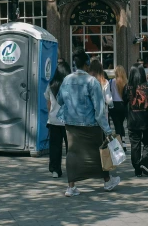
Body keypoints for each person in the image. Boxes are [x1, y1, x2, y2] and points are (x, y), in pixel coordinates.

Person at [56, 49, 120, 196]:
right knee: (98, 153)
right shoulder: (92, 82)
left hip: (71, 124)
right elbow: (99, 109)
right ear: (86, 65)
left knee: (72, 153)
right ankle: (107, 180)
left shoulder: (67, 80)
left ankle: (71, 187)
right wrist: (107, 130)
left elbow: (59, 100)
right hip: (90, 124)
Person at [123, 65, 148, 177]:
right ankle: (144, 162)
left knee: (135, 145)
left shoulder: (127, 87)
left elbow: (124, 102)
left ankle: (137, 168)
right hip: (147, 120)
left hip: (132, 120)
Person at [45, 61, 70, 178]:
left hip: (54, 120)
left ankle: (55, 170)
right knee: (71, 146)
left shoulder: (51, 85)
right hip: (68, 120)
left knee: (55, 146)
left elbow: (48, 104)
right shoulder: (70, 85)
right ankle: (72, 169)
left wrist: (51, 113)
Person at [109, 65, 127, 143]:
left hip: (114, 105)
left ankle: (119, 142)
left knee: (117, 125)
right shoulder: (126, 82)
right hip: (123, 105)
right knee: (121, 123)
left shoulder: (111, 81)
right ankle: (123, 141)